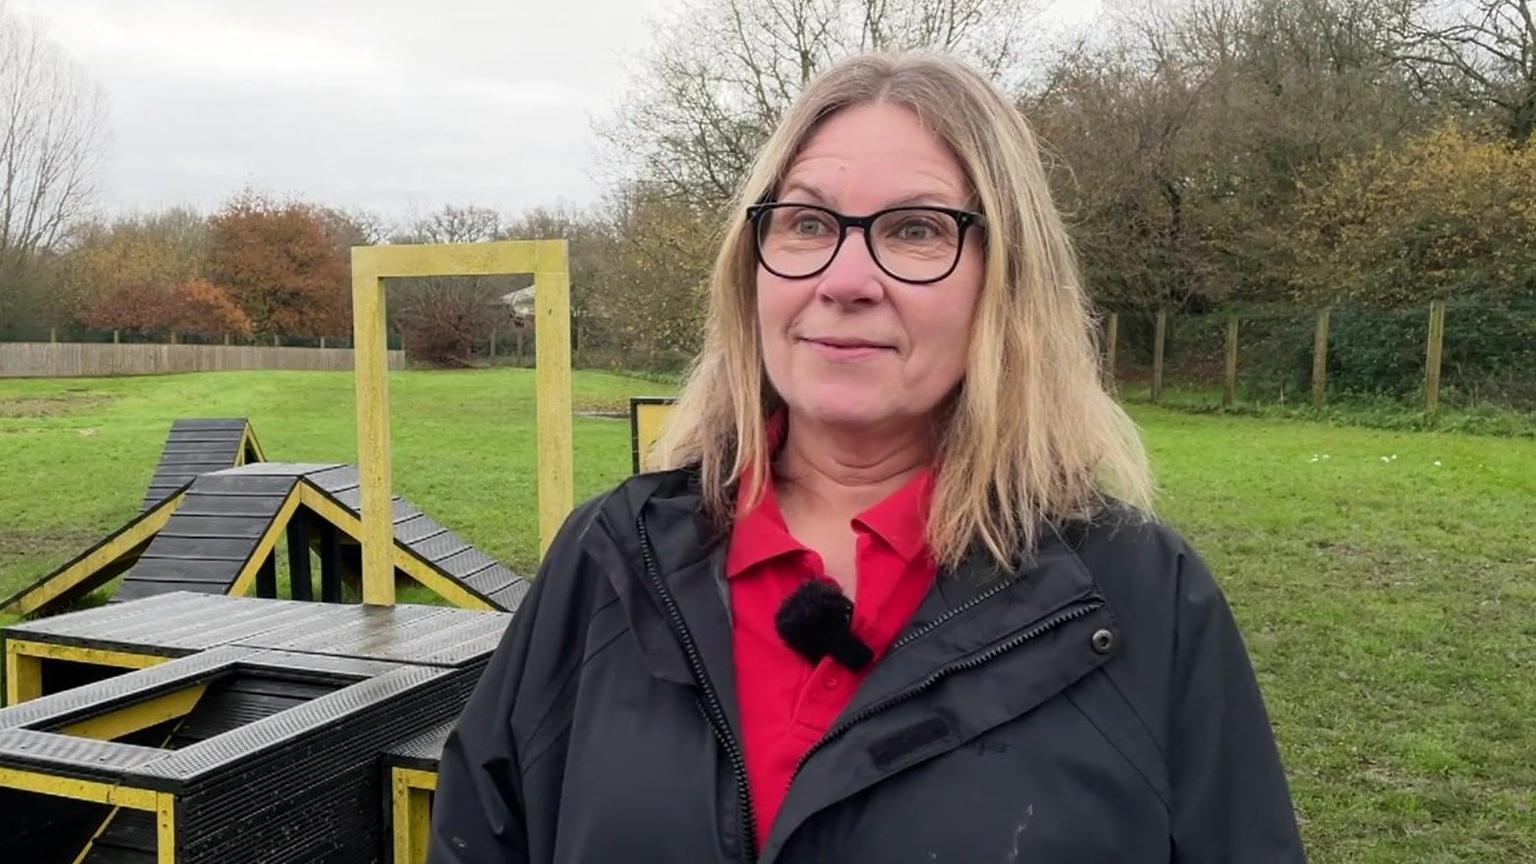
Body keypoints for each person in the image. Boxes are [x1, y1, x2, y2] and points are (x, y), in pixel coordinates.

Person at [429, 52, 1308, 864]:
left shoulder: (1143, 600)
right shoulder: (612, 562)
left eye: (917, 230)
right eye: (809, 222)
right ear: (754, 265)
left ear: (1008, 279)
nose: (845, 279)